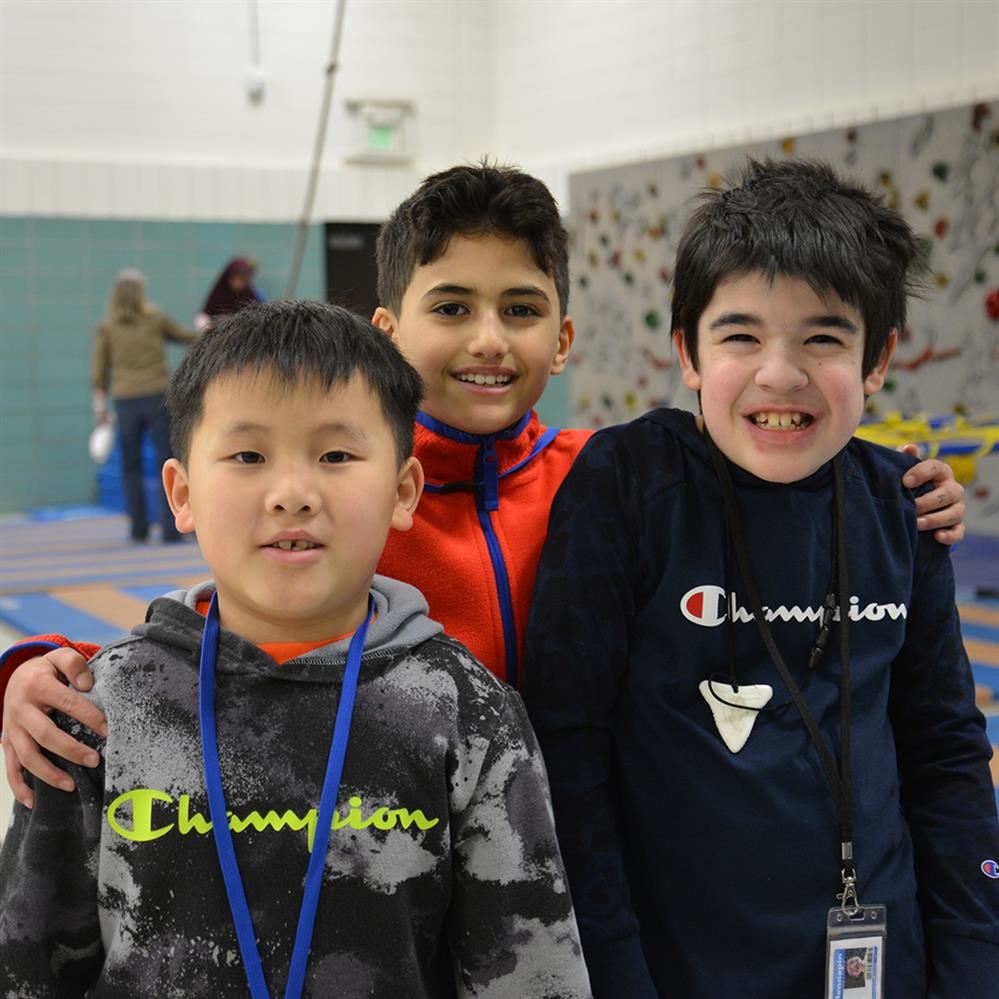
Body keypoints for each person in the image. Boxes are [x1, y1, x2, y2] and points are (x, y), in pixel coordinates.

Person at [0, 163, 966, 805]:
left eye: (520, 309)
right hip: (383, 845)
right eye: (451, 306)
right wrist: (37, 661)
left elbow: (772, 445)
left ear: (563, 337)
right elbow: (226, 622)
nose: (488, 340)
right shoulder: (352, 490)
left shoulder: (614, 474)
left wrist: (898, 485)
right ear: (385, 330)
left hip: (570, 853)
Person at [0, 300, 591, 998]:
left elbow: (529, 972)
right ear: (181, 494)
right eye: (248, 455)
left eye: (335, 454)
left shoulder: (469, 715)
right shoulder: (100, 711)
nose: (291, 493)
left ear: (403, 490)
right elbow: (28, 963)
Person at [521, 159, 999, 997]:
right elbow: (568, 749)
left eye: (823, 337)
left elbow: (945, 752)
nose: (780, 374)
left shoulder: (904, 505)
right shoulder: (629, 485)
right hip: (679, 962)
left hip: (881, 955)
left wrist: (971, 962)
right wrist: (613, 967)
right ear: (688, 354)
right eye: (740, 336)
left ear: (878, 357)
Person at [91, 268, 198, 542]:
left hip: (125, 400)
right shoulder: (155, 319)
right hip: (157, 396)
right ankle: (171, 530)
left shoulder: (108, 327)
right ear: (140, 294)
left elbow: (99, 373)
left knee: (131, 466)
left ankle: (138, 529)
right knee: (168, 462)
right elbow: (186, 337)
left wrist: (100, 408)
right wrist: (209, 329)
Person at [196, 256, 263, 328]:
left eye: (243, 279)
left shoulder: (249, 294)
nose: (239, 282)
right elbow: (203, 316)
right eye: (238, 278)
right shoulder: (219, 294)